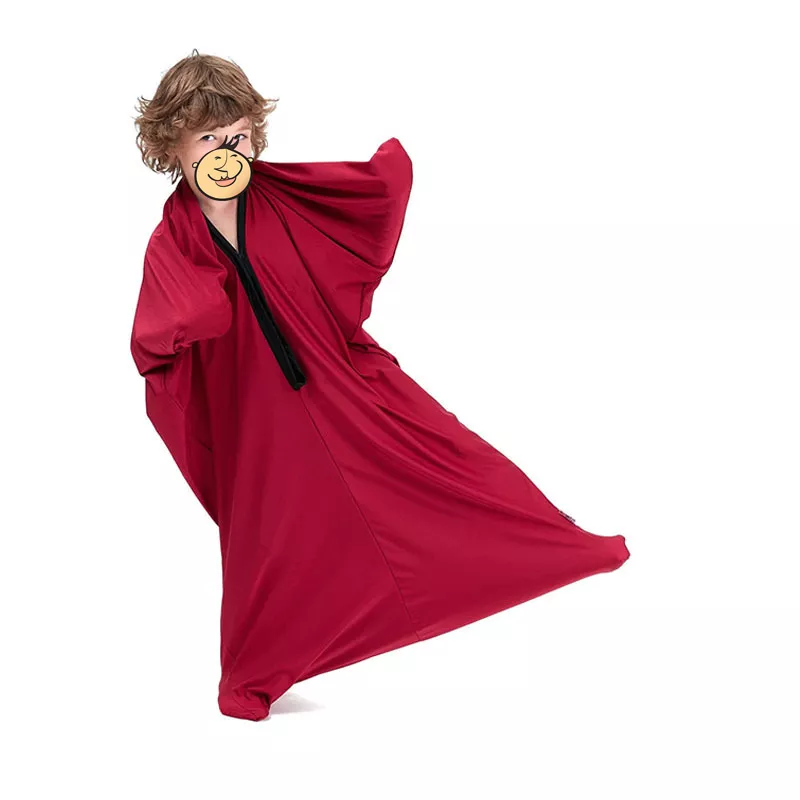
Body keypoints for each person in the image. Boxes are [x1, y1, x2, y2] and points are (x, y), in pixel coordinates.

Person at [131, 50, 631, 722]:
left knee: (450, 460)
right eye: (208, 140)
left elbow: (366, 201)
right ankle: (251, 674)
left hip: (340, 379)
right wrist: (193, 311)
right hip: (259, 417)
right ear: (172, 145)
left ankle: (555, 545)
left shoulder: (285, 197)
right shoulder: (173, 241)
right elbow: (156, 340)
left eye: (239, 137)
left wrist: (386, 173)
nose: (227, 154)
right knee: (269, 543)